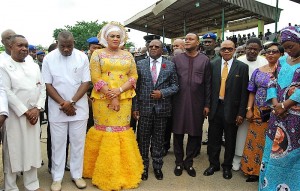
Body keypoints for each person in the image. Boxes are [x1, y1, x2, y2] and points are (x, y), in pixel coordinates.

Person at [83, 21, 143, 191]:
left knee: (121, 129)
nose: (115, 39)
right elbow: (95, 77)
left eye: (118, 36)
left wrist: (118, 91)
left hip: (125, 98)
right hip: (102, 99)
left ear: (122, 38)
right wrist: (111, 95)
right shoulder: (98, 54)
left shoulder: (128, 55)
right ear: (105, 37)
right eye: (112, 36)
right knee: (104, 129)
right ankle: (100, 172)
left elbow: (133, 76)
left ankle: (125, 172)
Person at [42, 31, 90, 191]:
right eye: (63, 46)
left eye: (69, 46)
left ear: (73, 43)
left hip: (79, 109)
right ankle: (57, 178)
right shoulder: (49, 58)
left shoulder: (82, 57)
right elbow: (48, 85)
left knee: (78, 144)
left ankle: (77, 175)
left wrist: (72, 102)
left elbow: (86, 82)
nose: (67, 49)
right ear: (57, 43)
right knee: (57, 145)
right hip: (58, 109)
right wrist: (64, 103)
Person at [0, 34, 46, 191]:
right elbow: (6, 91)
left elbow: (42, 88)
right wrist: (25, 111)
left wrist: (37, 108)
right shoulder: (4, 65)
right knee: (13, 152)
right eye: (20, 45)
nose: (24, 48)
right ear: (10, 47)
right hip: (15, 116)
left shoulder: (33, 65)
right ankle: (10, 187)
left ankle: (32, 184)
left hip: (33, 115)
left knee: (32, 150)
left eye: (26, 45)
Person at [259, 26, 300, 191]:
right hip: (277, 116)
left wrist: (285, 105)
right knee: (272, 152)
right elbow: (272, 82)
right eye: (285, 47)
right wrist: (276, 104)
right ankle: (269, 186)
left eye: (291, 46)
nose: (288, 51)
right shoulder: (281, 61)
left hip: (295, 120)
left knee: (291, 157)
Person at [133, 39, 178, 180]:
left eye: (156, 46)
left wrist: (162, 93)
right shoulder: (139, 65)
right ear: (147, 48)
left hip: (162, 110)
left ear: (162, 49)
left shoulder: (170, 65)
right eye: (150, 46)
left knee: (159, 140)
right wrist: (135, 107)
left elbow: (176, 86)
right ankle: (143, 167)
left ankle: (158, 167)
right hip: (144, 109)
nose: (153, 48)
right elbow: (136, 88)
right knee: (143, 140)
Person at [203, 40, 249, 180]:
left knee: (230, 140)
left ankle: (227, 167)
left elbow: (244, 92)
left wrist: (241, 113)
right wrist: (207, 105)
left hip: (232, 110)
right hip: (215, 108)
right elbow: (208, 87)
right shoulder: (213, 64)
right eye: (224, 49)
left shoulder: (242, 67)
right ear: (220, 51)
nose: (227, 51)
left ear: (235, 50)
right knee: (213, 139)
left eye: (230, 49)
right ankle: (214, 164)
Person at [240, 42, 281, 182]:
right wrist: (249, 109)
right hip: (258, 111)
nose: (270, 54)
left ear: (280, 54)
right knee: (255, 141)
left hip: (277, 112)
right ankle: (252, 170)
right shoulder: (258, 71)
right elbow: (252, 91)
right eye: (268, 51)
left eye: (274, 51)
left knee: (273, 143)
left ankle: (269, 173)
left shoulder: (284, 70)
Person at [172, 33, 211, 177]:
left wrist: (207, 104)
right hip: (178, 101)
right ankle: (178, 162)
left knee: (194, 133)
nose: (187, 41)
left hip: (197, 102)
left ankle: (188, 162)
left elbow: (208, 84)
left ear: (197, 42)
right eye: (186, 39)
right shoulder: (176, 59)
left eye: (191, 39)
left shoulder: (205, 60)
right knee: (178, 132)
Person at [232, 38, 268, 171]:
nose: (252, 51)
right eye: (250, 48)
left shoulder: (264, 61)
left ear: (260, 50)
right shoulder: (239, 60)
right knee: (240, 131)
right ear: (245, 48)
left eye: (255, 49)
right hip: (240, 101)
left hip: (259, 103)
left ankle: (254, 160)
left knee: (255, 133)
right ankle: (237, 157)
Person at [201, 32, 220, 146]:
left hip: (215, 94)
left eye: (209, 42)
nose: (207, 44)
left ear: (215, 43)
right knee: (199, 122)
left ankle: (211, 142)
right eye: (205, 42)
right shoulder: (199, 57)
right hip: (201, 94)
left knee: (213, 121)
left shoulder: (220, 59)